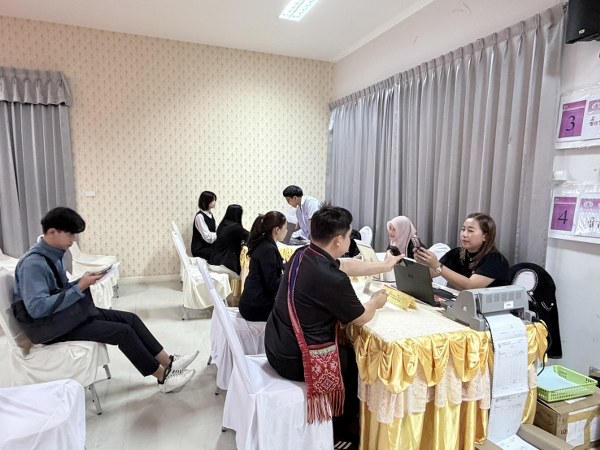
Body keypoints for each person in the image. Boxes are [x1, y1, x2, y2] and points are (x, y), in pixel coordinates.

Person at [13, 207, 198, 393]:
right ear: (52, 232)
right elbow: (37, 308)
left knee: (131, 319)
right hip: (49, 328)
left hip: (63, 317)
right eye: (70, 234)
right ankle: (162, 377)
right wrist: (79, 287)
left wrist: (81, 281)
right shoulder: (33, 264)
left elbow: (59, 291)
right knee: (123, 332)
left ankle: (169, 362)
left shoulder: (54, 255)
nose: (73, 240)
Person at [264, 206, 402, 445]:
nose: (350, 240)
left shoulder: (304, 253)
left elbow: (345, 265)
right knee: (356, 362)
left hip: (275, 342)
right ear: (338, 240)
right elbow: (361, 318)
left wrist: (384, 266)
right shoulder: (331, 279)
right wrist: (376, 302)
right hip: (294, 359)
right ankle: (342, 431)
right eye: (349, 235)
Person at [414, 212, 510, 290]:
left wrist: (437, 265)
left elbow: (471, 286)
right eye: (463, 229)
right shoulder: (457, 253)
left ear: (485, 236)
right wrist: (423, 261)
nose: (464, 234)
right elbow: (432, 273)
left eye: (470, 231)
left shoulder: (496, 260)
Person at [238, 211, 287, 322]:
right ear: (277, 230)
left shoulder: (264, 243)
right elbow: (272, 284)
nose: (287, 231)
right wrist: (289, 276)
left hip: (251, 303)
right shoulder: (268, 249)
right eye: (285, 228)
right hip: (255, 307)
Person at [208, 204, 249, 277]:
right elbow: (249, 236)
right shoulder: (235, 227)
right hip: (225, 264)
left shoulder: (223, 225)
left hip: (214, 260)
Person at [191, 191, 217, 260]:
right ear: (206, 201)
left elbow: (218, 228)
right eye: (213, 200)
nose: (215, 202)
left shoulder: (210, 214)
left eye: (215, 200)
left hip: (208, 246)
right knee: (220, 254)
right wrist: (218, 234)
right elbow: (208, 238)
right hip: (200, 249)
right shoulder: (200, 216)